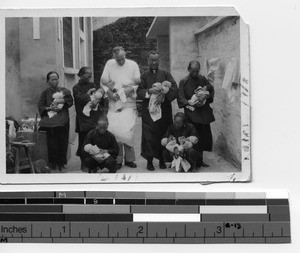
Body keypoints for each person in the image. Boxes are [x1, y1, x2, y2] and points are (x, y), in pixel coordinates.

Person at [100, 46, 140, 170]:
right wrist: (109, 93)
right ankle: (118, 160)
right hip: (114, 103)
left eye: (122, 58)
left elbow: (139, 83)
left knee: (127, 132)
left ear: (125, 54)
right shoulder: (109, 64)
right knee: (115, 132)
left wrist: (130, 89)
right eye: (118, 59)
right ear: (114, 57)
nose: (121, 61)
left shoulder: (133, 65)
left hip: (128, 103)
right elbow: (103, 82)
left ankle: (129, 160)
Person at [137, 51, 178, 171]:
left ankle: (162, 159)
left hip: (164, 110)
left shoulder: (165, 74)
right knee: (149, 136)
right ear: (148, 61)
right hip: (149, 112)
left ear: (159, 61)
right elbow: (139, 92)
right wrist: (149, 91)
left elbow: (174, 88)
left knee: (163, 134)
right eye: (152, 60)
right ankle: (149, 161)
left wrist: (164, 96)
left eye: (156, 60)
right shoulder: (144, 76)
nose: (154, 62)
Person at [177, 60, 215, 167]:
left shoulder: (203, 79)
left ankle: (200, 159)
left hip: (203, 113)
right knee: (192, 136)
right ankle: (191, 159)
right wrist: (187, 102)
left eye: (197, 71)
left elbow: (211, 90)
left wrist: (206, 96)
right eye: (193, 71)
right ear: (188, 69)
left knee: (203, 136)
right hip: (191, 113)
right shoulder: (183, 81)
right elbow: (180, 96)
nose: (195, 73)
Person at [38, 71, 73, 172]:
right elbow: (41, 106)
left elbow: (70, 102)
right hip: (50, 118)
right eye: (52, 79)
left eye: (56, 79)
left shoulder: (64, 91)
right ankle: (53, 164)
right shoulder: (45, 93)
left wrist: (62, 102)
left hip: (62, 117)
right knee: (52, 143)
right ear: (48, 81)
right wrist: (48, 108)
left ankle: (62, 164)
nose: (54, 81)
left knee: (62, 141)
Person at [73, 67, 107, 171]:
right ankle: (84, 164)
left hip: (94, 117)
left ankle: (94, 163)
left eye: (90, 75)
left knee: (95, 141)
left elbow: (99, 97)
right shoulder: (76, 87)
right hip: (83, 119)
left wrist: (98, 100)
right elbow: (80, 100)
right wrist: (88, 94)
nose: (89, 77)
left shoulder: (92, 85)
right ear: (80, 75)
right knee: (84, 141)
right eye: (87, 74)